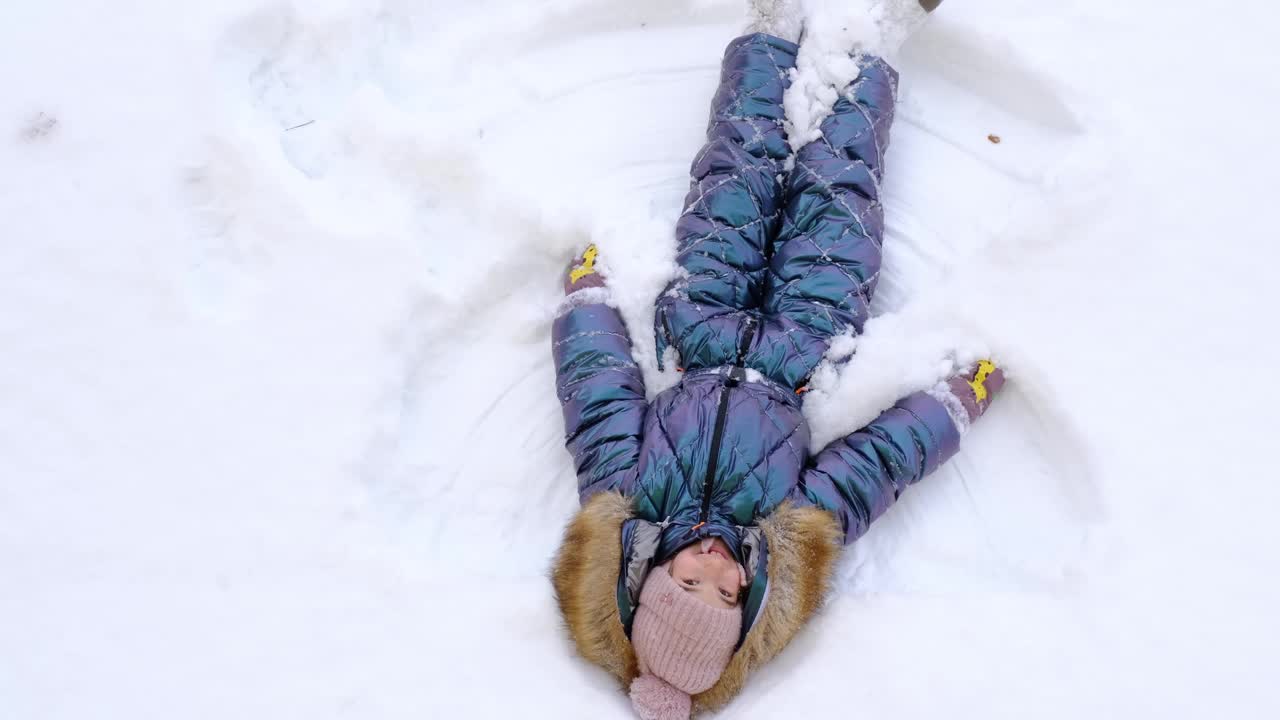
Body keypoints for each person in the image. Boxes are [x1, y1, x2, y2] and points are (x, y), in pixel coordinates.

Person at [550, 2, 1004, 718]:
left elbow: (597, 397)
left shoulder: (623, 501)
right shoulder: (787, 539)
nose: (719, 571)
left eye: (692, 584)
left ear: (648, 582)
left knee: (738, 170)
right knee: (840, 194)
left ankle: (771, 30)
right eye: (730, 596)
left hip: (699, 324)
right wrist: (955, 401)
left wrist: (588, 302)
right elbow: (879, 464)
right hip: (804, 348)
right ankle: (874, 45)